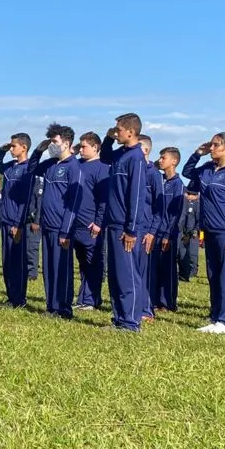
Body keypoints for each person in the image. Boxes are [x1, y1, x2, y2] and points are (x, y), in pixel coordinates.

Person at [182, 132, 225, 334]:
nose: (211, 148)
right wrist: (196, 154)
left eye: (216, 145)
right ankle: (216, 316)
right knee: (214, 275)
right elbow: (187, 172)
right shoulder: (208, 169)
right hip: (208, 231)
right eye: (211, 144)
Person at [100, 113, 147, 332]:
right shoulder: (122, 154)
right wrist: (108, 138)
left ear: (131, 132)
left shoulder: (136, 157)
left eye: (118, 129)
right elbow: (105, 156)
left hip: (125, 226)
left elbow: (136, 196)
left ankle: (131, 321)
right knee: (116, 274)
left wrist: (131, 229)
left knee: (128, 274)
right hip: (113, 221)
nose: (116, 131)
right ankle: (119, 317)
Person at [30, 123, 82, 320]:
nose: (52, 144)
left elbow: (73, 202)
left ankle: (64, 309)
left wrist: (65, 231)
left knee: (62, 269)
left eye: (55, 141)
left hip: (63, 229)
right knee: (49, 269)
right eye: (51, 141)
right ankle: (51, 306)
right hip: (47, 226)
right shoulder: (51, 164)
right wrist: (38, 150)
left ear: (67, 143)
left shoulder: (73, 167)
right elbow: (32, 169)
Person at [0, 133, 36, 307]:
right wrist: (1, 151)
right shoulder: (11, 167)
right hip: (5, 219)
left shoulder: (28, 169)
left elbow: (25, 200)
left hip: (16, 223)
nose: (11, 149)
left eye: (14, 146)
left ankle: (19, 299)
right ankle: (11, 296)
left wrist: (18, 224)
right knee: (6, 262)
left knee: (17, 262)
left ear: (24, 147)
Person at [73, 132, 110, 311]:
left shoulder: (102, 168)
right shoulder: (77, 165)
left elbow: (103, 199)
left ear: (95, 147)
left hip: (91, 225)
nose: (80, 149)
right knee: (81, 263)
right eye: (79, 146)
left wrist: (98, 222)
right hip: (75, 223)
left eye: (84, 146)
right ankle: (83, 297)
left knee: (93, 263)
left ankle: (91, 299)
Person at [133, 135, 164, 322]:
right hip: (131, 228)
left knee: (144, 271)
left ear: (144, 150)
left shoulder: (153, 174)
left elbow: (159, 208)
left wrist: (152, 232)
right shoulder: (135, 169)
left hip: (146, 229)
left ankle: (146, 309)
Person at [154, 147, 184, 312]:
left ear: (174, 161)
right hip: (155, 231)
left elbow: (176, 214)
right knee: (156, 267)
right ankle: (156, 300)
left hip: (168, 233)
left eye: (163, 157)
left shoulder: (177, 185)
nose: (160, 160)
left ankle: (168, 302)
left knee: (168, 268)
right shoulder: (159, 181)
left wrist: (168, 235)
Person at [177, 187, 200, 281]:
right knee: (183, 253)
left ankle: (193, 271)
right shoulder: (185, 203)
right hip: (184, 232)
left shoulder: (197, 205)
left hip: (192, 233)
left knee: (192, 253)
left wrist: (195, 230)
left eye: (191, 194)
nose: (189, 196)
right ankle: (185, 271)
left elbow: (199, 219)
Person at [26, 175, 44, 280]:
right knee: (26, 247)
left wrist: (37, 221)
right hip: (26, 220)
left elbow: (40, 204)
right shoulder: (29, 182)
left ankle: (32, 273)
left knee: (32, 247)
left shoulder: (39, 184)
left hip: (34, 222)